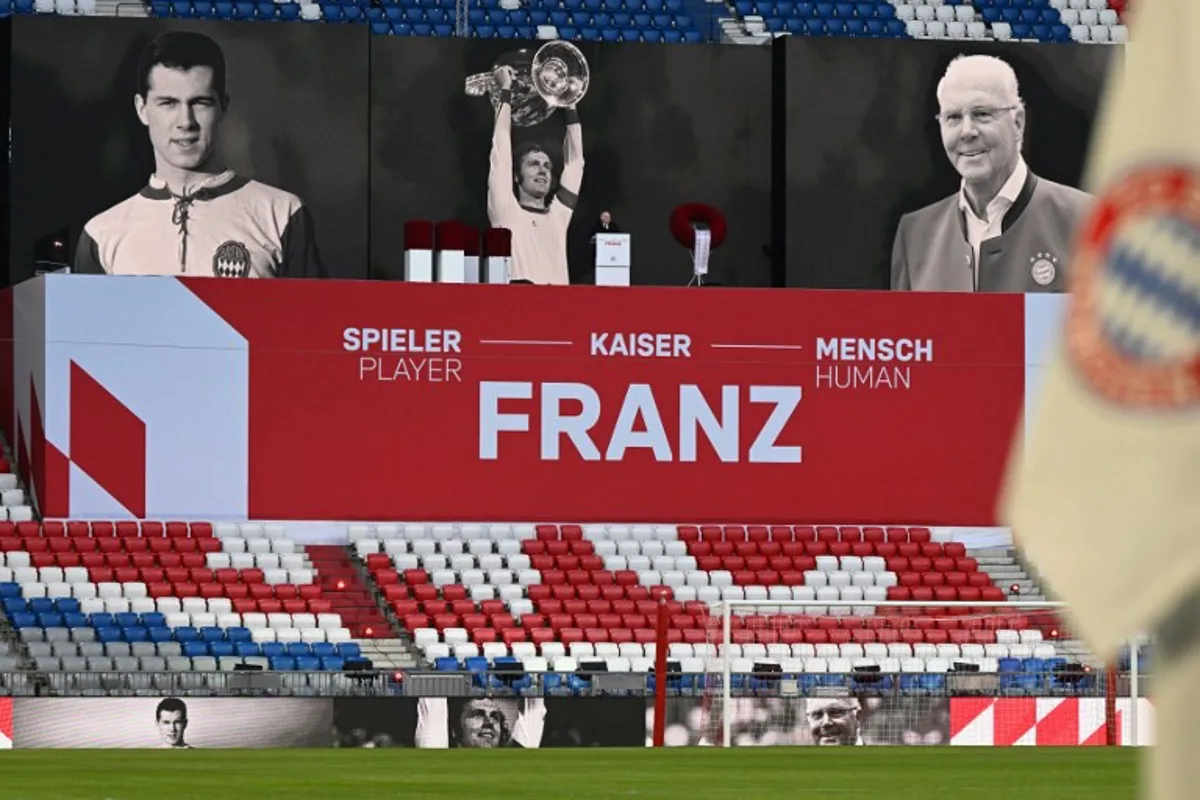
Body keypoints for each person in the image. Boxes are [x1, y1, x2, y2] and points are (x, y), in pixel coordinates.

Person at [73, 31, 324, 279]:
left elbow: (314, 319)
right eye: (168, 103)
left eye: (200, 103)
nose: (186, 121)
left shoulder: (282, 215)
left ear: (223, 107)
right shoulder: (102, 235)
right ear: (142, 109)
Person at [890, 54, 1092, 293]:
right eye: (953, 117)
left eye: (982, 114)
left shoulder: (1085, 221)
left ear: (1017, 123)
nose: (967, 131)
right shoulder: (914, 235)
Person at [487, 65, 584, 286]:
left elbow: (576, 163)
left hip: (562, 314)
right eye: (533, 164)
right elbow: (500, 146)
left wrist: (570, 107)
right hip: (521, 313)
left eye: (547, 166)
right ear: (516, 176)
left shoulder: (558, 216)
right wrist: (506, 91)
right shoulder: (505, 211)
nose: (542, 170)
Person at [414, 697, 546, 748]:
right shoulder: (436, 753)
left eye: (495, 717)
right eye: (477, 715)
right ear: (455, 729)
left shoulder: (519, 764)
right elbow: (433, 704)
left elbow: (535, 710)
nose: (489, 722)